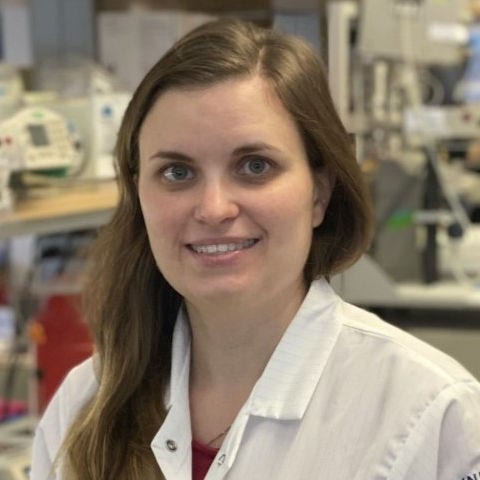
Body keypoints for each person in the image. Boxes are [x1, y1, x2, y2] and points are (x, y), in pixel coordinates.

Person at [31, 18, 480, 480]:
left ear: (319, 194)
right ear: (138, 194)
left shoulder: (431, 416)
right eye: (177, 173)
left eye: (254, 165)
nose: (213, 208)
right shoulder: (83, 405)